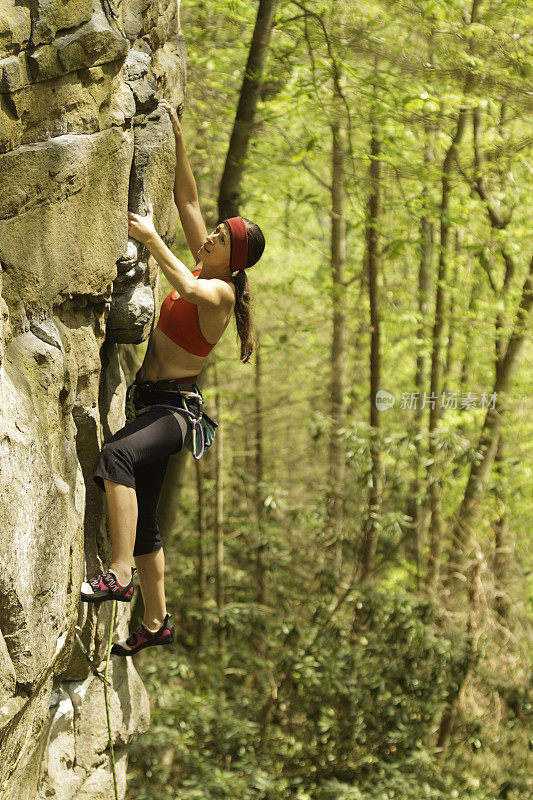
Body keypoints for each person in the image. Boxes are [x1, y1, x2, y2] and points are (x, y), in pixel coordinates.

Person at [80, 98, 265, 656]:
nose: (210, 235)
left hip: (175, 413)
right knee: (149, 525)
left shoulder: (222, 293)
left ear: (232, 259)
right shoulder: (203, 260)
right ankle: (156, 622)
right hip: (155, 404)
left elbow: (185, 288)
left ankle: (118, 575)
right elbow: (186, 196)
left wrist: (148, 237)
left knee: (115, 458)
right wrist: (178, 134)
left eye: (222, 238)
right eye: (215, 231)